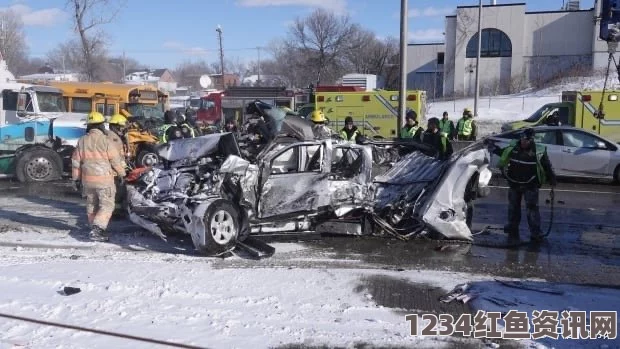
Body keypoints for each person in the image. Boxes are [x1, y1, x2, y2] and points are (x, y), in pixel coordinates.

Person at [492, 127, 557, 242]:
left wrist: (552, 178)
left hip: (530, 185)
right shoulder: (514, 148)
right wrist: (493, 148)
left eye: (526, 140)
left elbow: (547, 166)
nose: (523, 142)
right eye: (522, 139)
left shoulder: (538, 151)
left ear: (531, 140)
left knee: (532, 209)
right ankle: (512, 227)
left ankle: (535, 232)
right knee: (513, 208)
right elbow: (503, 153)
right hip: (514, 183)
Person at [71, 111, 127, 242]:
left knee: (92, 204)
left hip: (87, 181)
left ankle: (93, 227)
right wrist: (122, 174)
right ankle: (97, 229)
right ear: (101, 125)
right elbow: (115, 160)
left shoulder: (82, 141)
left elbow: (75, 162)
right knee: (106, 205)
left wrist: (75, 179)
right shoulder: (105, 141)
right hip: (104, 180)